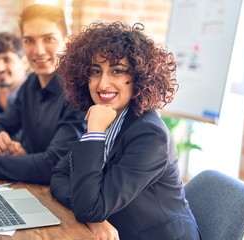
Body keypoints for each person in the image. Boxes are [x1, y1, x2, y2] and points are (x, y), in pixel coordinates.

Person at [50, 21, 201, 240]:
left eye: (117, 71)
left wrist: (94, 133)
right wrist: (95, 216)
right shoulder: (109, 116)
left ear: (139, 77)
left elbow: (89, 206)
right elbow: (59, 176)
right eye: (95, 71)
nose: (103, 84)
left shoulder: (150, 136)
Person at [0, 4, 85, 185]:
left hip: (64, 202)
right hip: (31, 187)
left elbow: (53, 165)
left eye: (48, 39)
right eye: (29, 41)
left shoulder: (79, 93)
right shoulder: (30, 85)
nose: (38, 50)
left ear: (67, 42)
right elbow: (3, 124)